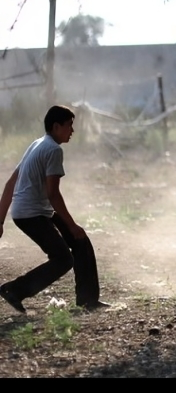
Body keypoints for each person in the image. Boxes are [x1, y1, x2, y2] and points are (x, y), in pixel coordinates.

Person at [0, 105, 108, 313]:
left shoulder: (38, 144)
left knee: (81, 242)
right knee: (63, 259)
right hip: (31, 214)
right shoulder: (52, 150)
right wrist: (71, 224)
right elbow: (53, 194)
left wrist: (1, 220)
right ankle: (14, 290)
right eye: (69, 126)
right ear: (56, 126)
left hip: (34, 211)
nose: (72, 131)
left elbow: (10, 184)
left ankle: (88, 300)